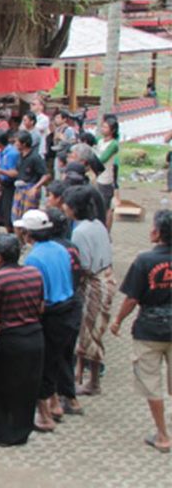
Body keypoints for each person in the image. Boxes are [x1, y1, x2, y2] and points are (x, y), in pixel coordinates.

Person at [110, 210, 171, 453]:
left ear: (157, 233)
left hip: (149, 331)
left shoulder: (144, 261)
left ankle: (163, 435)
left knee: (151, 384)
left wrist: (118, 321)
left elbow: (132, 299)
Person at [0, 234, 45, 446]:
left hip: (12, 339)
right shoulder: (34, 273)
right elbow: (41, 307)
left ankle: (0, 432)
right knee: (27, 387)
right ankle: (21, 430)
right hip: (35, 335)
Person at [15, 209, 79, 432]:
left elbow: (38, 293)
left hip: (51, 313)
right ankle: (55, 403)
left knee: (42, 365)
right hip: (69, 308)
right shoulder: (61, 249)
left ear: (28, 234)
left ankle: (45, 415)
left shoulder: (33, 259)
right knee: (58, 358)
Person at [63, 185, 116, 396]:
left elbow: (83, 265)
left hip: (95, 283)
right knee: (90, 331)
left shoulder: (80, 232)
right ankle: (81, 376)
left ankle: (93, 382)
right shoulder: (98, 225)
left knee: (91, 332)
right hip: (105, 276)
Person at [6, 131, 50, 224]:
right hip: (19, 188)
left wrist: (35, 187)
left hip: (30, 188)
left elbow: (46, 175)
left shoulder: (35, 157)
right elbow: (17, 172)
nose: (15, 144)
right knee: (16, 218)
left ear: (24, 144)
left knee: (28, 218)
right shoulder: (20, 156)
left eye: (17, 142)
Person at [94, 116, 119, 227]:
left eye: (105, 127)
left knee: (105, 208)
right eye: (102, 127)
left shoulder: (113, 144)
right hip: (98, 177)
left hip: (106, 179)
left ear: (112, 130)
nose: (103, 129)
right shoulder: (100, 141)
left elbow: (102, 159)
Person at [0, 130, 19, 234]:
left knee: (8, 210)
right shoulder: (1, 152)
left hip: (11, 184)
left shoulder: (12, 154)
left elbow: (13, 172)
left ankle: (11, 233)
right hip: (2, 183)